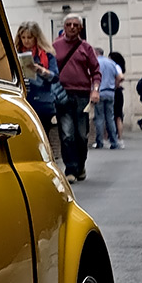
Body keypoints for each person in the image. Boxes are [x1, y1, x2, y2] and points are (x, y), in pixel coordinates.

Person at [54, 16, 101, 179]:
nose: (72, 27)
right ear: (64, 27)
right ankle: (71, 169)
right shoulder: (55, 46)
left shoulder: (86, 48)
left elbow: (96, 71)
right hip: (62, 94)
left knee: (81, 135)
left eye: (76, 25)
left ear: (81, 28)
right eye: (69, 24)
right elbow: (52, 69)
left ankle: (81, 165)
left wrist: (95, 90)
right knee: (67, 134)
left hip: (81, 95)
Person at [15, 21, 60, 155]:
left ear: (36, 38)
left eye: (30, 38)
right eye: (23, 38)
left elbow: (55, 76)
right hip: (24, 99)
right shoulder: (15, 53)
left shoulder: (46, 55)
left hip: (42, 100)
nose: (26, 41)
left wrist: (40, 70)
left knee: (42, 135)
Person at [94, 46, 120, 150]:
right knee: (110, 117)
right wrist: (115, 86)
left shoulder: (95, 62)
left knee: (99, 118)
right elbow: (119, 76)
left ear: (95, 53)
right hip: (110, 92)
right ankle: (114, 142)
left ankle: (100, 142)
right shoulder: (111, 63)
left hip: (99, 92)